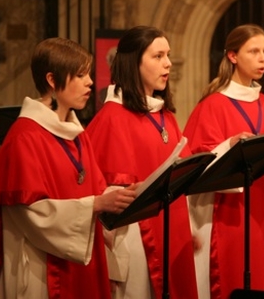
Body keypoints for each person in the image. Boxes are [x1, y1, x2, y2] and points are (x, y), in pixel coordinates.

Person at [0, 37, 138, 299]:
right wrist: (95, 205)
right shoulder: (25, 136)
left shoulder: (76, 133)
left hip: (82, 259)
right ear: (52, 80)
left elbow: (93, 189)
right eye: (81, 75)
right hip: (41, 268)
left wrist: (124, 194)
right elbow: (30, 214)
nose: (91, 83)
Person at [183, 24, 264, 299]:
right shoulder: (212, 105)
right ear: (233, 56)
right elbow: (196, 162)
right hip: (231, 212)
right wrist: (230, 145)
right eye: (254, 51)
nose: (263, 58)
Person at [85, 26, 199, 299]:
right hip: (136, 242)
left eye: (168, 55)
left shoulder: (165, 116)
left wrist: (190, 227)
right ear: (133, 62)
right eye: (158, 56)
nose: (168, 63)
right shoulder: (112, 118)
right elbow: (104, 196)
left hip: (174, 232)